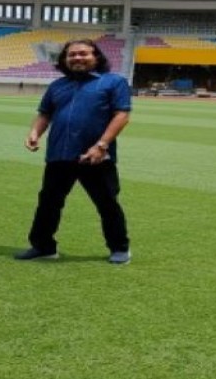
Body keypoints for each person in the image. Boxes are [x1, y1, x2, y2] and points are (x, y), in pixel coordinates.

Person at [17, 39, 133, 264]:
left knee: (107, 203)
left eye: (83, 54)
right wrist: (34, 133)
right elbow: (45, 114)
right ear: (64, 60)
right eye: (71, 55)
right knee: (48, 202)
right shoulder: (57, 86)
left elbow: (122, 115)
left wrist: (101, 145)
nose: (77, 58)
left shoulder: (114, 82)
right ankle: (43, 247)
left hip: (95, 156)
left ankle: (119, 248)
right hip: (59, 154)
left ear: (96, 57)